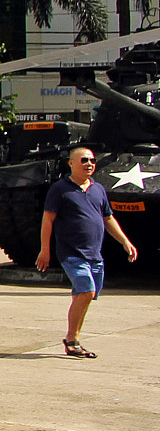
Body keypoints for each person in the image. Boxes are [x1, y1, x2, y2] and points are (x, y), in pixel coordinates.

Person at [35, 144, 136, 358]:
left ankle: (74, 339)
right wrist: (45, 251)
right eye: (83, 160)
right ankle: (72, 340)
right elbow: (48, 220)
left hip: (95, 256)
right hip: (72, 253)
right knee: (86, 291)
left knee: (85, 296)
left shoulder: (98, 189)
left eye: (91, 160)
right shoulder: (60, 189)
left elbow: (108, 219)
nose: (89, 164)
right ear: (71, 163)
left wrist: (125, 242)